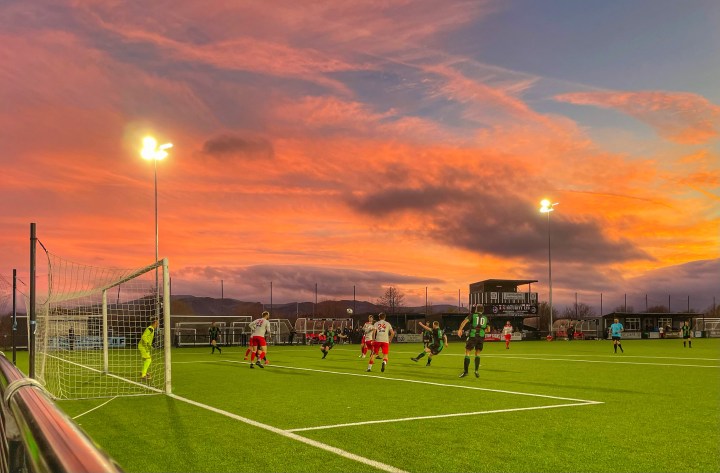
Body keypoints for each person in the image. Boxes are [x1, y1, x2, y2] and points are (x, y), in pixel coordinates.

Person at [457, 304, 488, 378]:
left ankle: (466, 372)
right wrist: (481, 331)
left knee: (467, 352)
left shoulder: (472, 315)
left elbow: (464, 321)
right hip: (481, 337)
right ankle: (476, 371)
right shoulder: (485, 318)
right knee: (477, 353)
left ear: (476, 309)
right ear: (482, 310)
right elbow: (488, 329)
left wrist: (460, 329)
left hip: (473, 335)